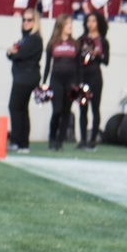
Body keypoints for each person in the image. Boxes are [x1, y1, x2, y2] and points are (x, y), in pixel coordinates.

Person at [6, 8, 42, 152]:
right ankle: (21, 142)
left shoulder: (34, 39)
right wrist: (11, 52)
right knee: (21, 109)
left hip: (26, 78)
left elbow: (18, 55)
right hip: (22, 77)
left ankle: (19, 141)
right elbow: (11, 53)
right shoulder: (25, 38)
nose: (26, 22)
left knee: (15, 107)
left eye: (29, 20)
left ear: (35, 22)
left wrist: (12, 53)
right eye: (24, 20)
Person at [43, 15, 79, 152]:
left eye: (71, 24)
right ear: (60, 26)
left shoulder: (75, 44)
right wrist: (43, 83)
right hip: (56, 79)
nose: (70, 26)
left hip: (70, 81)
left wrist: (78, 83)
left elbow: (78, 66)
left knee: (66, 112)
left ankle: (59, 141)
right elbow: (47, 65)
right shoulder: (52, 43)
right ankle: (52, 137)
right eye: (67, 24)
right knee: (57, 110)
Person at [77, 11, 109, 149]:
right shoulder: (81, 39)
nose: (90, 24)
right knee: (82, 108)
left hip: (95, 76)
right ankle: (83, 139)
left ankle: (92, 140)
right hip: (83, 75)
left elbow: (106, 61)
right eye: (88, 21)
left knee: (95, 108)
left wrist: (95, 55)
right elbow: (76, 58)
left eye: (93, 21)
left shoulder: (103, 41)